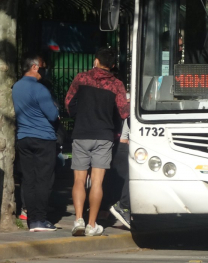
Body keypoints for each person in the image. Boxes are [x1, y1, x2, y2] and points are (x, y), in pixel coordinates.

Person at [65, 48, 129, 237]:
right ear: (113, 66)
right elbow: (124, 112)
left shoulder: (81, 79)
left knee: (79, 180)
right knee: (97, 182)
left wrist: (79, 115)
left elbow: (69, 103)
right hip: (104, 136)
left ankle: (78, 220)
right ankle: (92, 224)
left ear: (96, 61)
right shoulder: (116, 85)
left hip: (81, 133)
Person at [12, 54, 59, 232]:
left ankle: (31, 218)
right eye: (42, 66)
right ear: (35, 67)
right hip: (43, 138)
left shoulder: (16, 87)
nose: (43, 70)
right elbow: (52, 115)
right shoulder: (40, 89)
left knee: (29, 179)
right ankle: (40, 219)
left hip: (24, 137)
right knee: (43, 180)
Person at [109, 118, 131, 229]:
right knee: (125, 178)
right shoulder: (128, 107)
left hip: (120, 142)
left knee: (119, 179)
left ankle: (118, 206)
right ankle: (123, 206)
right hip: (123, 143)